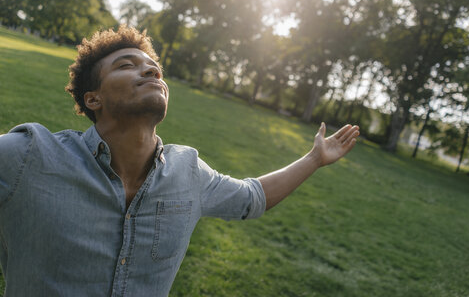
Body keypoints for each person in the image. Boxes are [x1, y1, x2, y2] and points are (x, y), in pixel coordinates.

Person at [0, 25, 359, 296]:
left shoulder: (189, 171)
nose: (152, 72)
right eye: (127, 65)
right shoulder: (28, 155)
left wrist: (314, 159)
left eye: (154, 67)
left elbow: (252, 198)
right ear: (93, 99)